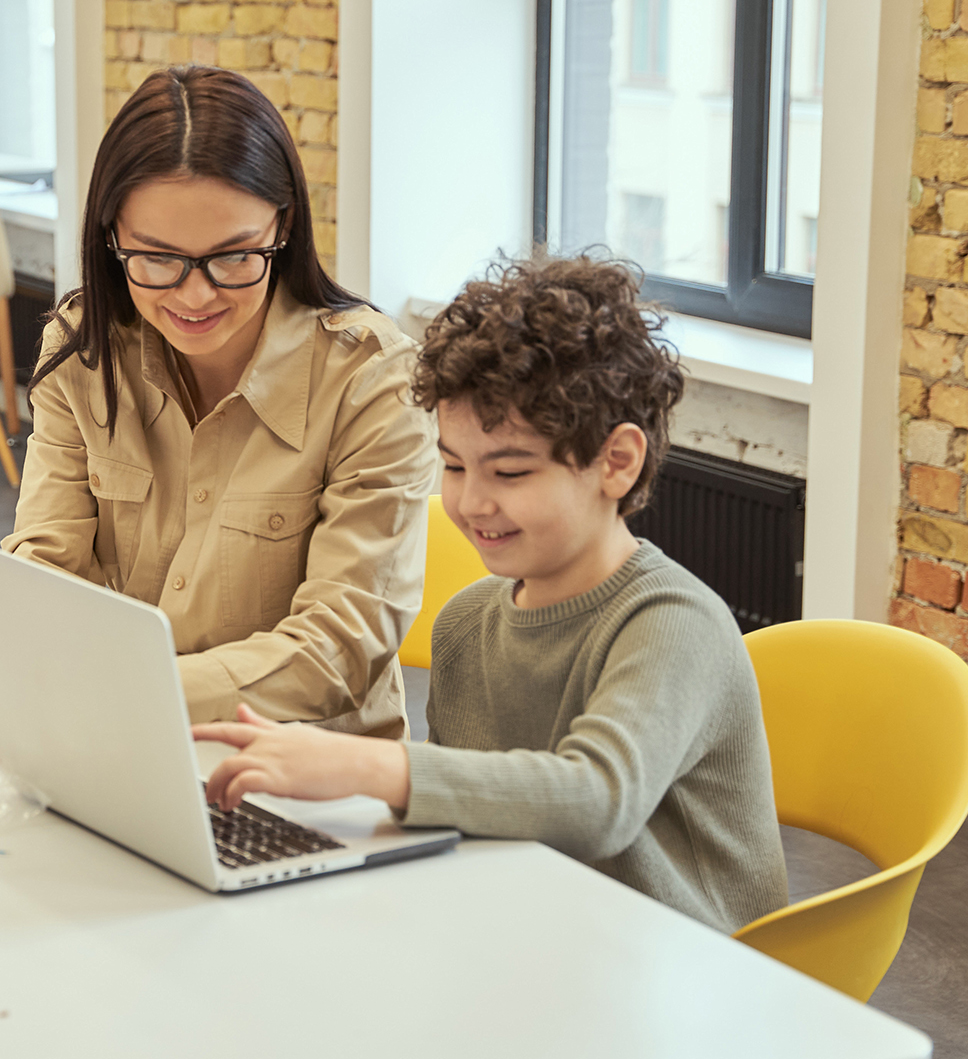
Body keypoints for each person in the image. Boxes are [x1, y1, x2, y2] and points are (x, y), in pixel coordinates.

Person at [195, 255, 789, 934]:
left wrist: (365, 764)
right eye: (452, 465)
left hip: (685, 976)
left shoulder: (672, 625)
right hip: (535, 937)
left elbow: (597, 802)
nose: (472, 501)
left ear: (616, 463)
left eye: (509, 471)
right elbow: (472, 819)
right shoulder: (466, 625)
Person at [0, 65, 437, 743]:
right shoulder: (84, 349)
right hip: (127, 745)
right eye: (157, 258)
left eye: (234, 257)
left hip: (310, 775)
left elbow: (340, 649)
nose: (194, 295)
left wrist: (118, 688)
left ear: (283, 227)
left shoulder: (372, 379)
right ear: (112, 239)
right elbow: (50, 555)